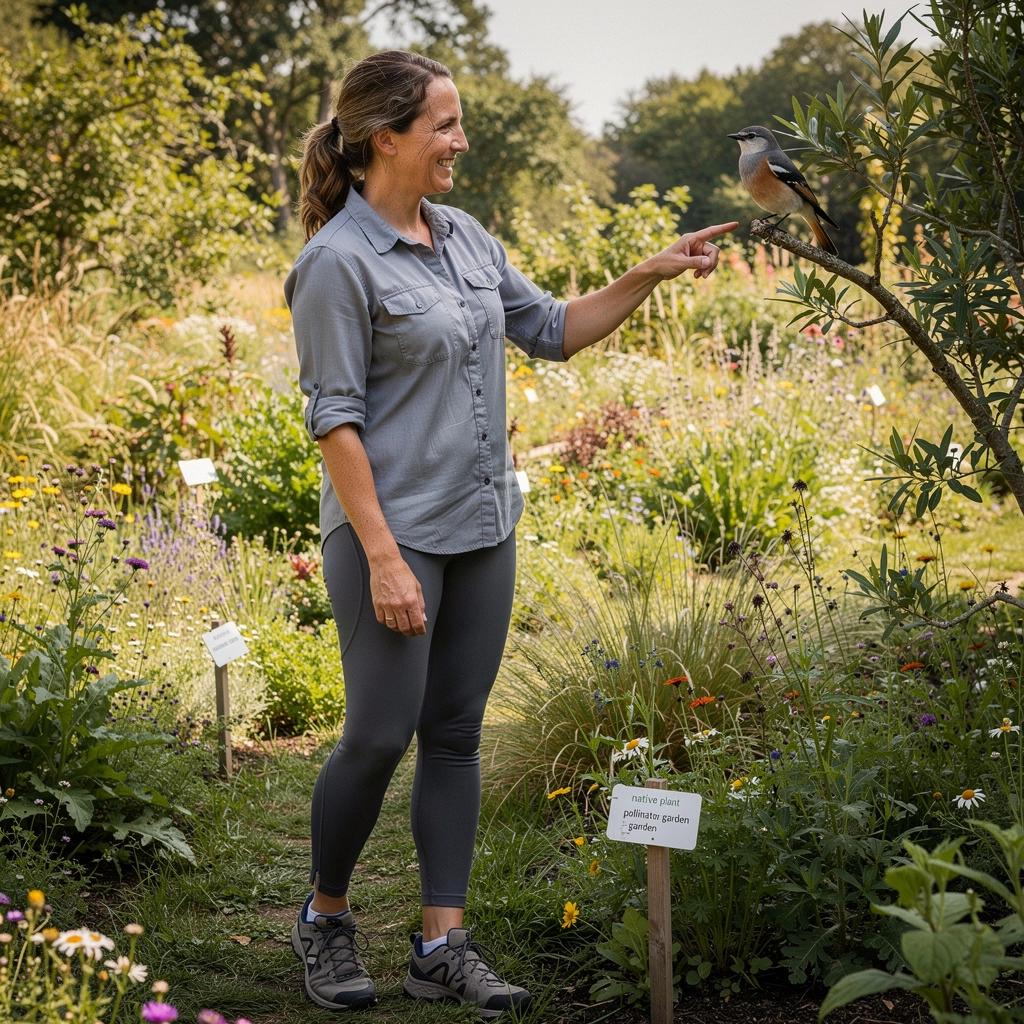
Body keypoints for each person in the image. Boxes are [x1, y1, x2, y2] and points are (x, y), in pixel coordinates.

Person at [283, 49, 736, 1019]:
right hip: (391, 534)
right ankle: (324, 917)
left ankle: (440, 941)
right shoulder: (334, 264)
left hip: (483, 525)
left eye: (457, 121)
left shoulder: (466, 239)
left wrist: (648, 271)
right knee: (375, 733)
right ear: (384, 137)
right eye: (444, 124)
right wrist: (381, 556)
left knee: (452, 733)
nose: (460, 140)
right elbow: (335, 420)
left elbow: (552, 328)